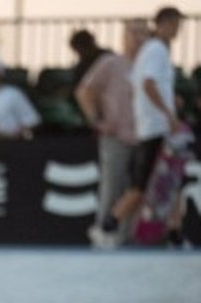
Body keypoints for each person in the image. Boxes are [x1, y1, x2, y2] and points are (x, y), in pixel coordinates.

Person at [89, 6, 185, 248]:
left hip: (151, 127)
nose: (178, 30)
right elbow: (147, 84)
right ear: (164, 24)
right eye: (175, 24)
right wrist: (166, 114)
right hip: (155, 129)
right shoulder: (156, 50)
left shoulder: (150, 52)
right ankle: (105, 227)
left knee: (170, 183)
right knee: (140, 187)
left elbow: (138, 87)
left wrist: (167, 102)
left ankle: (174, 234)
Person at [76, 20, 149, 244]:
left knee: (136, 189)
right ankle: (104, 233)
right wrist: (97, 120)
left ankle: (127, 235)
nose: (138, 38)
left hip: (145, 137)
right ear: (124, 36)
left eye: (143, 34)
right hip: (116, 137)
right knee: (112, 185)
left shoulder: (149, 65)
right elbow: (85, 91)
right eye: (134, 33)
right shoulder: (111, 63)